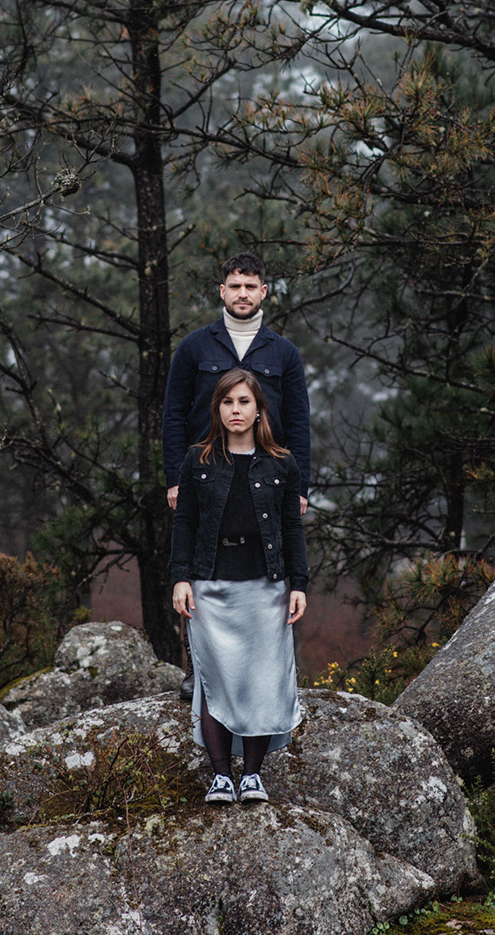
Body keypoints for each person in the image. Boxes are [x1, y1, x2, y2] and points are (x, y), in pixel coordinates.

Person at [170, 368, 308, 804]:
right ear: (218, 408)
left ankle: (252, 775)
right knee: (215, 681)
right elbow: (185, 523)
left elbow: (291, 528)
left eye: (244, 402)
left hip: (265, 589)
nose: (236, 410)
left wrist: (298, 584)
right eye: (228, 402)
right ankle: (220, 776)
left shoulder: (283, 463)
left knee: (262, 683)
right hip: (211, 587)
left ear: (258, 408)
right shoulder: (198, 460)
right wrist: (180, 578)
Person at [162, 253, 311, 515]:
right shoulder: (193, 347)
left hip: (269, 477)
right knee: (204, 554)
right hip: (203, 475)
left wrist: (300, 487)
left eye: (250, 286)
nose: (242, 294)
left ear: (263, 291)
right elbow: (174, 414)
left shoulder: (285, 353)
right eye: (235, 286)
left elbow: (297, 422)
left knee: (265, 555)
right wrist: (175, 479)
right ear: (222, 291)